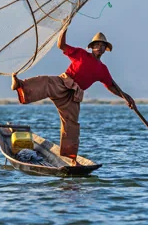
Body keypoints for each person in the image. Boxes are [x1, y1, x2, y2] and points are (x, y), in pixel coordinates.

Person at [10, 22, 136, 166]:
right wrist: (65, 28)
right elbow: (61, 45)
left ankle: (71, 159)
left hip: (74, 95)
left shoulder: (103, 69)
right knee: (45, 81)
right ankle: (20, 84)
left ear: (105, 50)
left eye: (102, 46)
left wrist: (126, 97)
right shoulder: (81, 54)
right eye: (97, 45)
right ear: (92, 47)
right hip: (63, 83)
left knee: (71, 126)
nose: (100, 48)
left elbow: (111, 86)